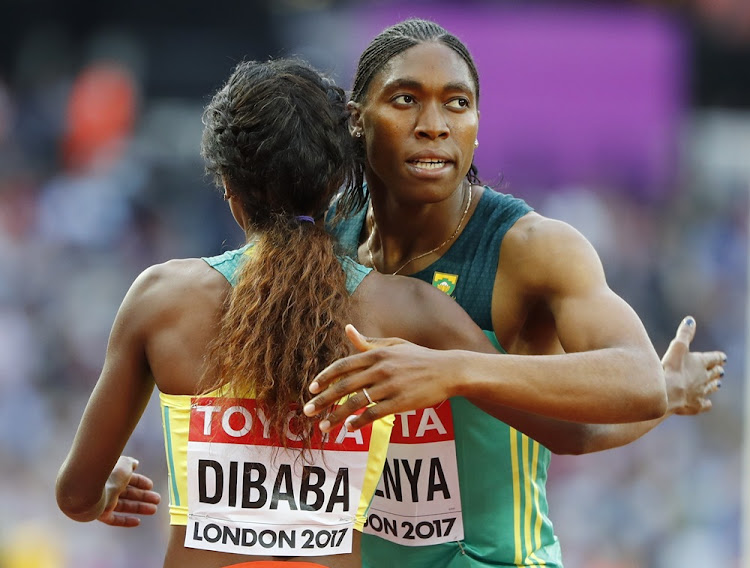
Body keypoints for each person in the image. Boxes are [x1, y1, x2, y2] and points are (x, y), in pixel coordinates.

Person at [302, 18, 727, 568]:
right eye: (405, 100)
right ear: (358, 121)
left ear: (477, 124)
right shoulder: (326, 243)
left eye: (457, 103)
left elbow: (637, 379)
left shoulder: (531, 248)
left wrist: (450, 370)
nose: (433, 125)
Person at [55, 58, 506, 568]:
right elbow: (559, 421)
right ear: (337, 179)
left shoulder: (160, 299)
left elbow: (74, 495)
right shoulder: (411, 309)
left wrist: (106, 488)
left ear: (227, 184)